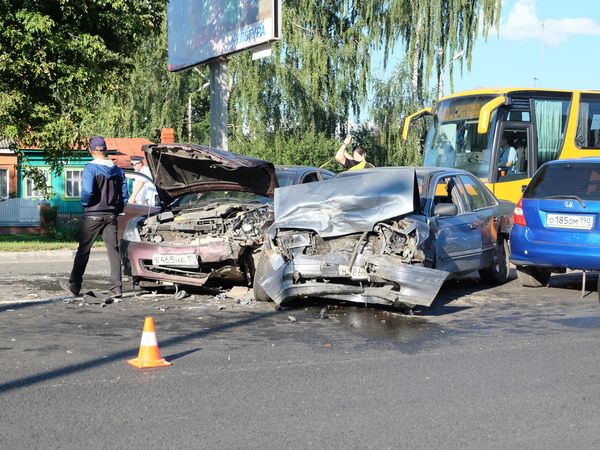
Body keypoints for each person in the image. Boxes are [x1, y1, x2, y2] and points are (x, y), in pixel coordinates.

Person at [60, 136, 129, 298]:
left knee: (83, 250)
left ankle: (75, 285)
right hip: (110, 215)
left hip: (92, 215)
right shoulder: (117, 170)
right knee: (113, 251)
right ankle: (117, 288)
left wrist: (86, 205)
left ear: (91, 150)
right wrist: (116, 209)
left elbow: (87, 192)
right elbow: (124, 195)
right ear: (105, 150)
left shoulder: (90, 169)